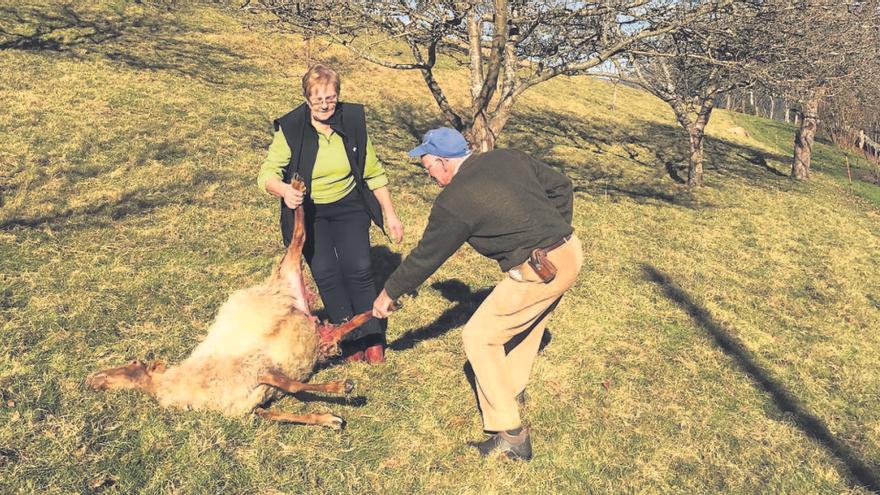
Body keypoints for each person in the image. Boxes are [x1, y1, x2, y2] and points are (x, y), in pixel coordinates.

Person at [373, 127, 583, 460]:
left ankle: (511, 436)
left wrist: (389, 292)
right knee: (529, 324)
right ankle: (509, 388)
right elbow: (561, 185)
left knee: (478, 336)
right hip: (571, 253)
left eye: (428, 168)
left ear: (443, 162)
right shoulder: (505, 157)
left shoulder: (455, 200)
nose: (429, 176)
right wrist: (553, 233)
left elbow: (427, 256)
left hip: (539, 269)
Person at [258, 63, 404, 364]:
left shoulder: (352, 122)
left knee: (359, 268)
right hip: (311, 213)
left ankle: (373, 338)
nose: (325, 105)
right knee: (326, 272)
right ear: (307, 99)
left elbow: (373, 172)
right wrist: (284, 190)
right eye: (318, 99)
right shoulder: (292, 128)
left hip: (349, 206)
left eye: (331, 98)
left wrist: (390, 215)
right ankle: (348, 340)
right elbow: (267, 174)